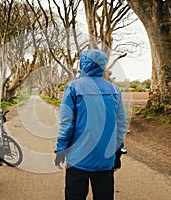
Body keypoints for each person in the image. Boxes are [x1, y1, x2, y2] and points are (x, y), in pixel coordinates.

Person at [54, 49, 127, 200]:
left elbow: (67, 124)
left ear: (83, 64)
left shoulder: (73, 88)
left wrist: (61, 149)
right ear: (102, 66)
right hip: (105, 159)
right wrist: (117, 153)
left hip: (77, 159)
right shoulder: (114, 90)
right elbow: (120, 126)